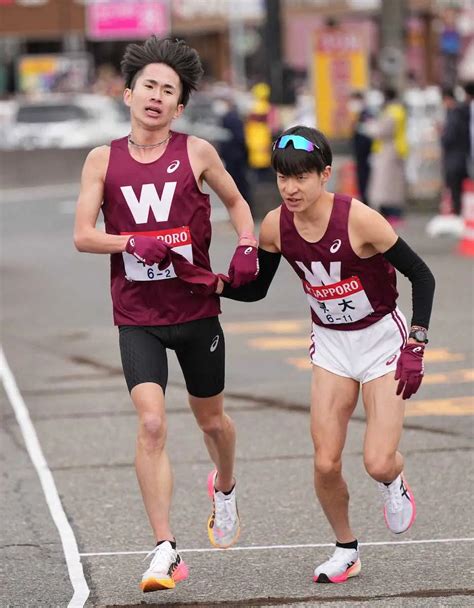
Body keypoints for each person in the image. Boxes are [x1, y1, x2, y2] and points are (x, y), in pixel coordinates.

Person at [73, 36, 258, 593]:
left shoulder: (196, 151)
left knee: (211, 422)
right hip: (138, 314)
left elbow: (237, 202)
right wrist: (131, 243)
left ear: (179, 107)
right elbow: (83, 235)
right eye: (148, 86)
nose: (156, 97)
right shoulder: (101, 160)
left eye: (168, 91)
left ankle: (223, 485)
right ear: (128, 94)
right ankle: (164, 550)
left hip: (197, 307)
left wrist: (246, 244)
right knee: (151, 422)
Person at [216, 125, 435, 584]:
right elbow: (255, 291)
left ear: (325, 175)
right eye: (282, 178)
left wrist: (416, 341)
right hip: (332, 345)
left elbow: (422, 276)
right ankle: (345, 548)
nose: (290, 188)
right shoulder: (275, 224)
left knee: (377, 460)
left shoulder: (360, 219)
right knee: (325, 461)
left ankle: (395, 481)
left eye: (301, 178)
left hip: (380, 341)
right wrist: (218, 282)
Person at [367, 88, 409, 226]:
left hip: (390, 151)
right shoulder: (399, 110)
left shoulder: (392, 112)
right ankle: (392, 213)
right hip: (395, 150)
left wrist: (369, 128)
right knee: (392, 185)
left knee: (388, 187)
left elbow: (382, 131)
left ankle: (392, 214)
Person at [440, 87, 470, 215]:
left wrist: (442, 134)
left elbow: (449, 138)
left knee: (455, 189)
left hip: (454, 159)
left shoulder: (454, 114)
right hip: (464, 157)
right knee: (462, 189)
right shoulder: (464, 112)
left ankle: (458, 213)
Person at [348, 91, 373, 205]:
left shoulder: (367, 114)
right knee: (360, 177)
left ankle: (366, 200)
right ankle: (364, 199)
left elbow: (370, 134)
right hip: (359, 153)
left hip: (366, 153)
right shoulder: (356, 116)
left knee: (365, 178)